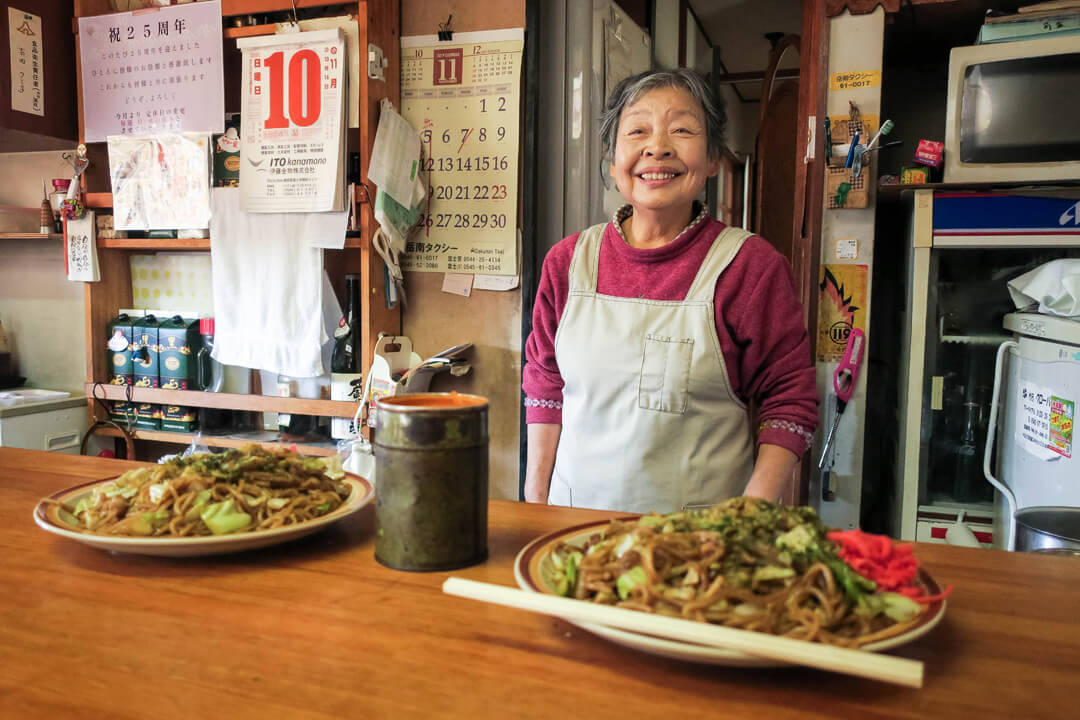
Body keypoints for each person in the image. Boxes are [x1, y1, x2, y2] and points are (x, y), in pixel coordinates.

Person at [522, 68, 818, 513]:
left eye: (681, 130)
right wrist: (536, 500)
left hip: (699, 548)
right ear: (612, 159)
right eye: (637, 130)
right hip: (573, 529)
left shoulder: (749, 267)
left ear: (715, 157)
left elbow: (789, 400)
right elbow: (546, 381)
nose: (656, 147)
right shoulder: (568, 262)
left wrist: (746, 520)